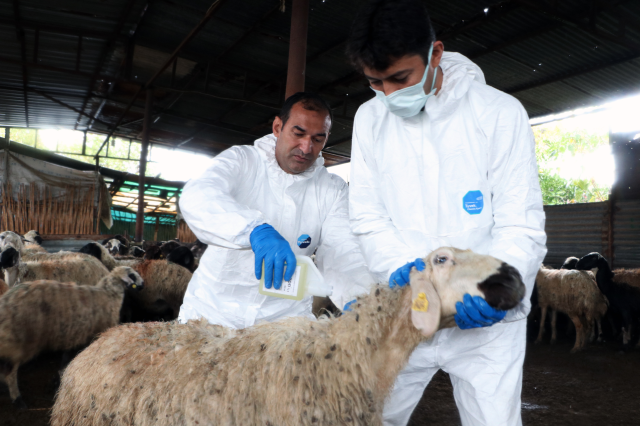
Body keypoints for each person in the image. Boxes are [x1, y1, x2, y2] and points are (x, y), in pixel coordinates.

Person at [345, 1, 547, 425]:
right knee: (372, 417)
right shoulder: (369, 120)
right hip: (405, 310)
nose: (389, 95)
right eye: (374, 82)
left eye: (400, 78)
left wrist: (498, 290)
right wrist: (400, 269)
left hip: (481, 323)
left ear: (435, 53)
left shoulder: (498, 113)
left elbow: (520, 221)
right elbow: (367, 215)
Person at [178, 92, 375, 329]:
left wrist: (363, 300)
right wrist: (253, 230)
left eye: (317, 139)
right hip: (212, 316)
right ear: (277, 126)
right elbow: (199, 195)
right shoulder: (242, 161)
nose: (306, 147)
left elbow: (343, 254)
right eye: (298, 133)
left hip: (284, 326)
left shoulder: (332, 190)